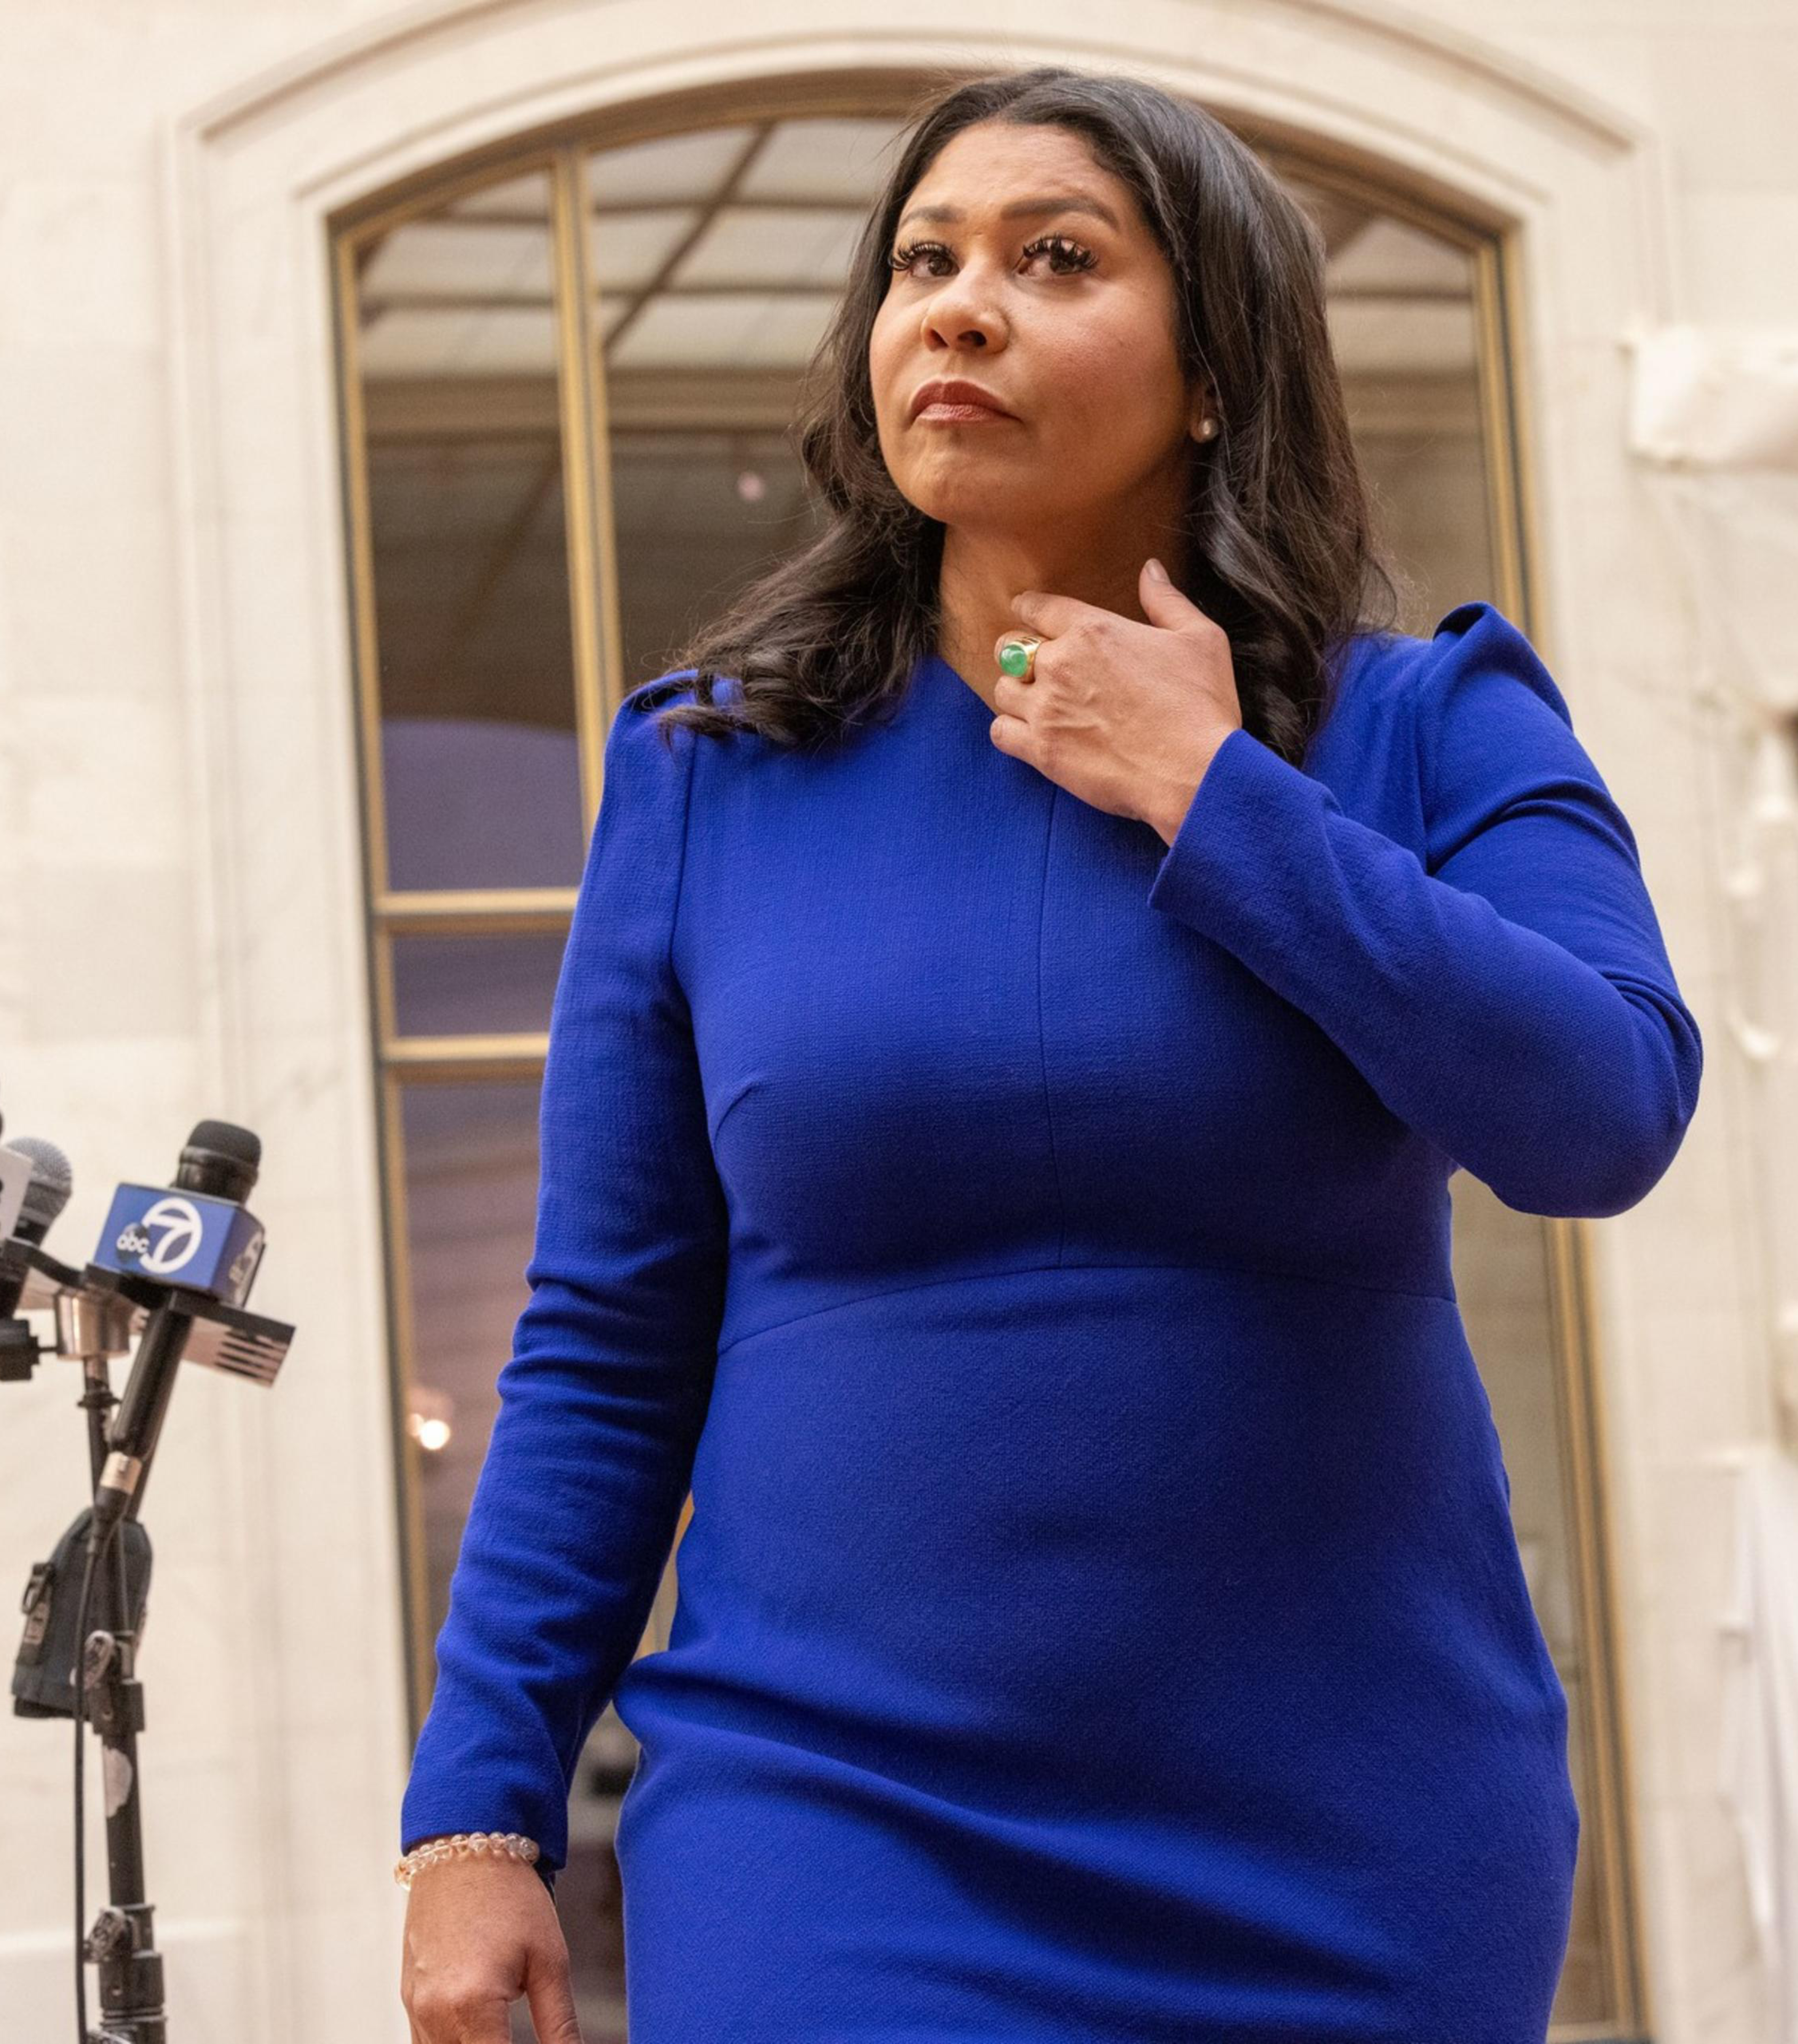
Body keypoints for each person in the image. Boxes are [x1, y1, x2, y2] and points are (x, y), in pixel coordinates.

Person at [397, 63, 1703, 2044]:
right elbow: (605, 1333)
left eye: (1055, 256)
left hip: (1347, 1840)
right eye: (923, 261)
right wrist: (477, 1816)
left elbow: (1604, 1114)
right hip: (831, 1819)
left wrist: (1215, 796)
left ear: (1212, 375)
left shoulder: (1430, 725)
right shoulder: (709, 779)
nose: (959, 304)